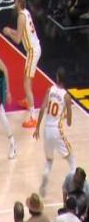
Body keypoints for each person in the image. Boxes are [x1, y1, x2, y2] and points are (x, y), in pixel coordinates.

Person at [34, 67, 75, 197]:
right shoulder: (67, 97)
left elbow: (42, 109)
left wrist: (37, 127)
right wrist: (65, 114)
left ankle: (45, 176)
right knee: (72, 159)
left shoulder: (49, 90)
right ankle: (73, 186)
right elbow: (69, 123)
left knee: (49, 160)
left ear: (57, 78)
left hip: (46, 129)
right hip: (57, 131)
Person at [3, 0, 42, 128]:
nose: (14, 2)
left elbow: (18, 40)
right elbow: (21, 32)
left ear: (19, 3)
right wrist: (11, 30)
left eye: (15, 0)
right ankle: (27, 101)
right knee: (27, 80)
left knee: (26, 83)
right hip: (34, 48)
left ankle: (33, 117)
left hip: (32, 51)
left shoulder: (21, 17)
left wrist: (8, 33)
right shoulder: (25, 12)